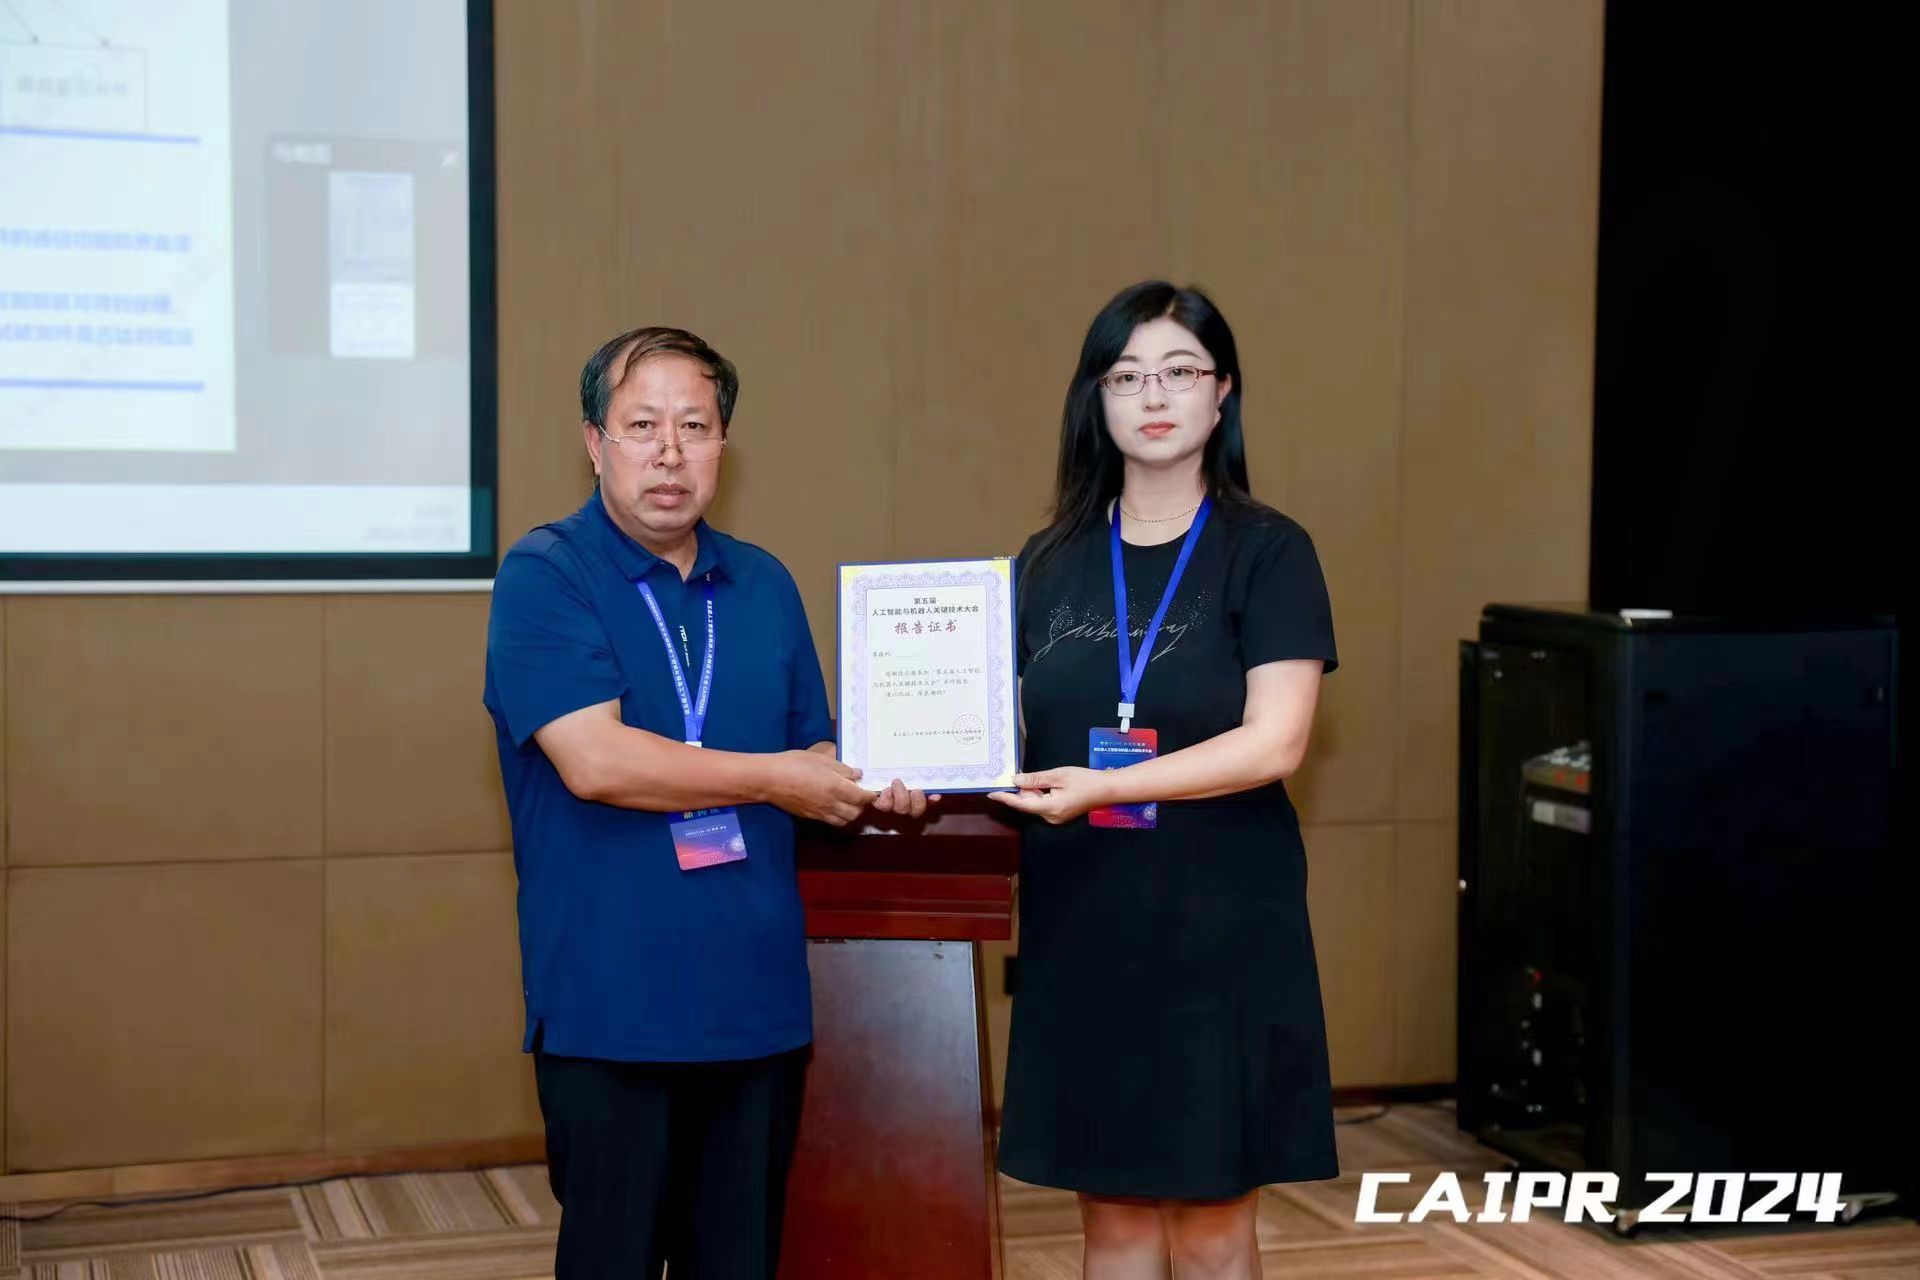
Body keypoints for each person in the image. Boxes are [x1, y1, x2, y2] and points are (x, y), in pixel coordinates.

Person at [482, 326, 930, 1279]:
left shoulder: (763, 583)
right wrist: (774, 777)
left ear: (725, 444)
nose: (670, 452)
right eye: (642, 425)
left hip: (755, 1002)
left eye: (695, 426)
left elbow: (815, 749)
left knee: (738, 1261)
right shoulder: (546, 574)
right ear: (595, 443)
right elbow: (596, 760)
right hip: (612, 1005)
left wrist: (884, 773)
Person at [992, 282, 1340, 1279]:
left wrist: (1105, 786)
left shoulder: (1269, 552)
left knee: (1211, 1229)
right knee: (1113, 1227)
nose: (1154, 395)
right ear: (1094, 398)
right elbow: (1001, 730)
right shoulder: (1046, 562)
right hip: (1085, 922)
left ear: (1221, 393)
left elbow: (1276, 742)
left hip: (1221, 927)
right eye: (1127, 375)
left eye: (1180, 372)